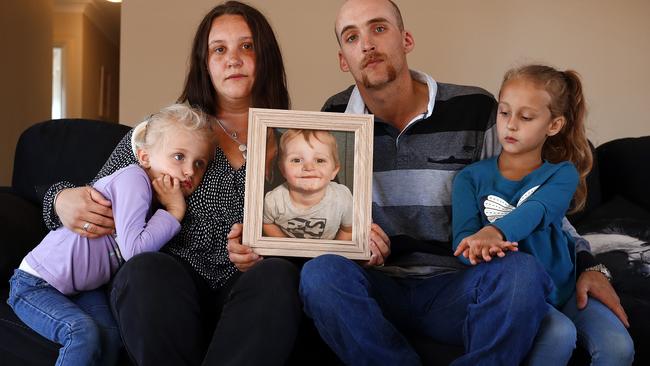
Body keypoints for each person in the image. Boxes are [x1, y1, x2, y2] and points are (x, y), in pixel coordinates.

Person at [297, 0, 630, 365]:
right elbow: (317, 213)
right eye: (351, 37)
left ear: (406, 39)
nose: (367, 44)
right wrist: (347, 238)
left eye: (379, 28)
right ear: (343, 59)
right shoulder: (332, 118)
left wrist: (590, 267)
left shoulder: (474, 107)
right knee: (320, 274)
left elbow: (529, 198)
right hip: (378, 285)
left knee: (522, 271)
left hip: (460, 286)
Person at [40, 2, 302, 365]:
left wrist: (268, 249)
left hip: (246, 292)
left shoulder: (298, 141)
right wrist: (59, 200)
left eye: (247, 46)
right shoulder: (166, 128)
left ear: (266, 56)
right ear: (204, 63)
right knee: (145, 267)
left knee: (277, 274)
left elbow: (310, 234)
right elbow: (100, 193)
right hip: (167, 288)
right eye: (219, 49)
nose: (233, 59)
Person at [451, 64, 633, 365]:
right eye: (504, 112)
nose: (510, 125)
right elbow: (462, 241)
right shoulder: (470, 178)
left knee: (618, 347)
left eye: (526, 117)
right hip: (515, 297)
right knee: (559, 334)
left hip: (566, 290)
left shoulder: (562, 175)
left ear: (554, 125)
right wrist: (478, 251)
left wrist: (495, 232)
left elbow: (538, 211)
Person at [8, 103, 214, 366]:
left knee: (112, 338)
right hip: (36, 283)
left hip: (83, 287)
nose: (189, 171)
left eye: (200, 163)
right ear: (145, 157)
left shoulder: (152, 199)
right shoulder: (134, 181)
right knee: (82, 333)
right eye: (179, 157)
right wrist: (174, 211)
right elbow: (134, 251)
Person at [263, 129, 353, 240]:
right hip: (287, 255)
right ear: (283, 170)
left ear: (334, 171)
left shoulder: (342, 198)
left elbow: (348, 230)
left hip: (328, 253)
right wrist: (285, 245)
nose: (308, 167)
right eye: (296, 160)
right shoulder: (274, 200)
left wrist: (336, 252)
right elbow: (267, 224)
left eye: (320, 160)